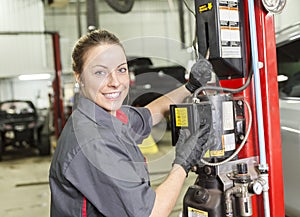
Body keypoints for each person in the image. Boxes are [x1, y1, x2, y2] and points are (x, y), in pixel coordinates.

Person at [49, 29, 213, 217]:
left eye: (121, 70)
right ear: (79, 77)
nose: (115, 82)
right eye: (100, 72)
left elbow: (152, 113)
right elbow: (152, 213)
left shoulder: (105, 116)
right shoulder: (94, 142)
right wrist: (183, 163)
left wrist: (189, 87)